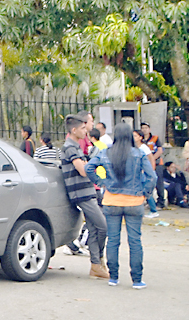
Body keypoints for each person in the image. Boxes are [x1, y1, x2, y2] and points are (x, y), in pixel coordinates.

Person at [86, 122, 155, 289]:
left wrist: (102, 183)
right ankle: (137, 279)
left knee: (113, 240)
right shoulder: (138, 153)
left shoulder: (106, 153)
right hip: (134, 202)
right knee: (135, 241)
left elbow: (89, 167)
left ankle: (114, 277)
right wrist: (145, 193)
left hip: (111, 201)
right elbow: (152, 177)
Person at [62, 114, 109, 279]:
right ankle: (98, 260)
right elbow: (83, 170)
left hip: (87, 190)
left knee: (95, 228)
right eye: (82, 128)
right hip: (80, 193)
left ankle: (96, 265)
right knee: (103, 226)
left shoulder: (77, 146)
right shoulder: (70, 147)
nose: (85, 130)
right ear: (74, 130)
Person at [133, 130, 159, 218]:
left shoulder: (144, 147)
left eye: (136, 136)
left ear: (141, 137)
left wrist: (151, 170)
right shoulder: (133, 147)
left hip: (144, 172)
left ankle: (153, 210)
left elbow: (151, 158)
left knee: (146, 192)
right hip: (137, 172)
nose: (134, 138)